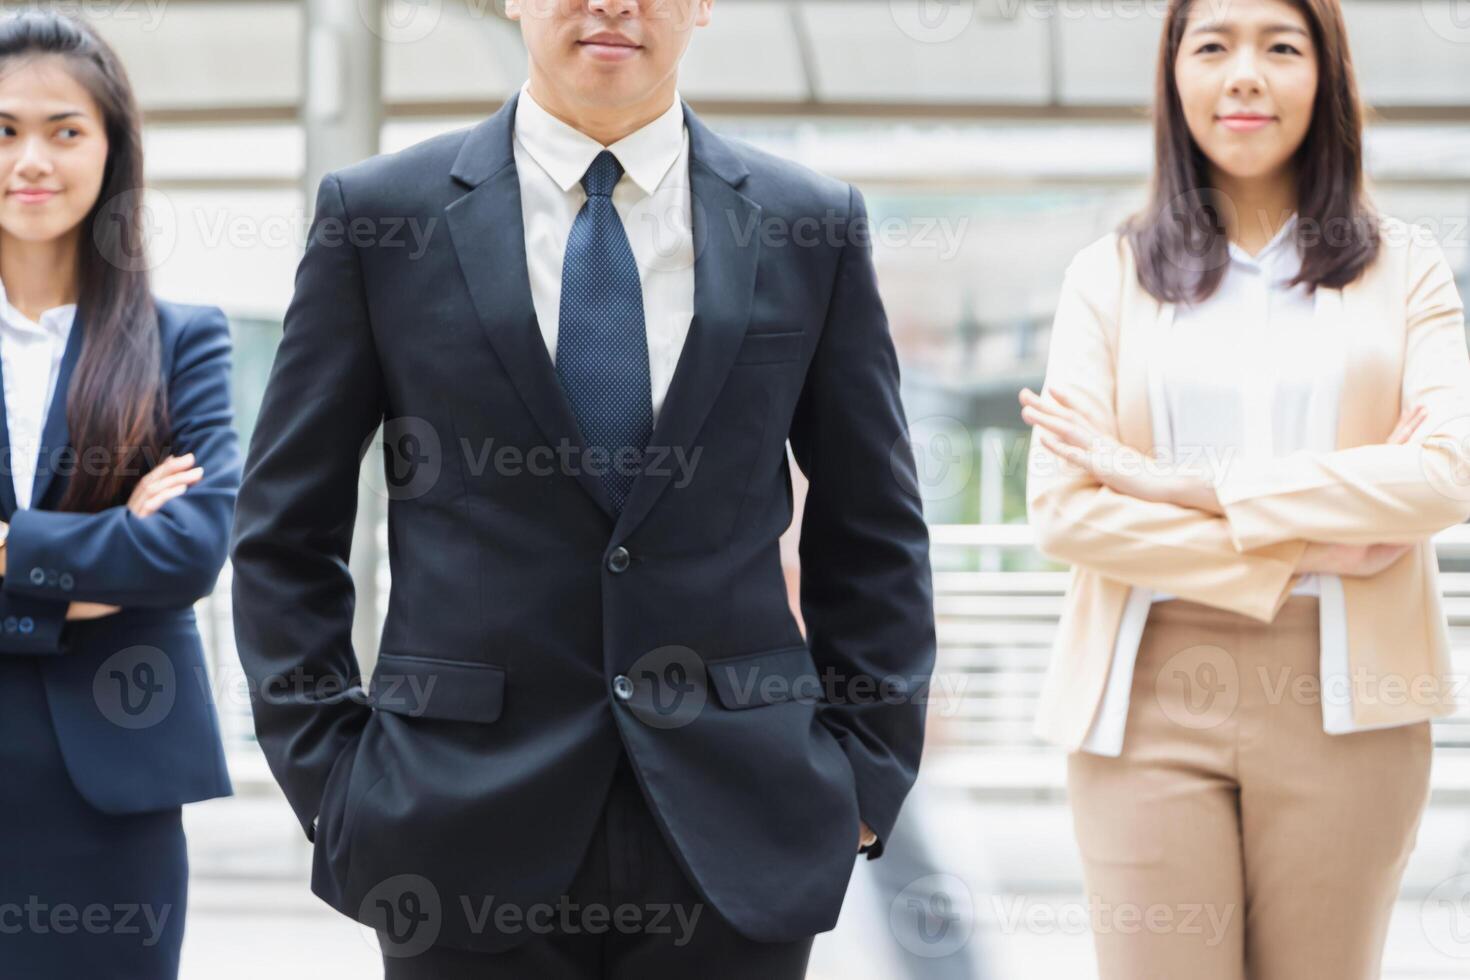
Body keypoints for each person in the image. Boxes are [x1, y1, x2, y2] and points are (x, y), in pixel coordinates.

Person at [228, 0, 935, 975]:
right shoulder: (380, 218)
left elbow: (875, 529)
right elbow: (282, 528)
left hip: (739, 825)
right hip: (454, 823)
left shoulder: (808, 223)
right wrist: (331, 774)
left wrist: (864, 774)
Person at [1018, 0, 1470, 975]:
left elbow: (1446, 472)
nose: (1245, 74)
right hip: (1144, 690)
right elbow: (1064, 504)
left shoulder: (1408, 267)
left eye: (1281, 45)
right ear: (1174, 75)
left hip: (1347, 698)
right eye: (1213, 45)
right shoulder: (1108, 275)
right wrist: (1311, 545)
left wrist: (1178, 485)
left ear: (1328, 74)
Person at [0, 10, 239, 978]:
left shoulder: (183, 340)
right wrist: (104, 551)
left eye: (66, 130)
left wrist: (14, 552)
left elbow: (190, 547)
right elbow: (144, 556)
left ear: (111, 150)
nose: (32, 159)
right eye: (5, 130)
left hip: (110, 788)